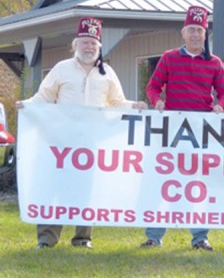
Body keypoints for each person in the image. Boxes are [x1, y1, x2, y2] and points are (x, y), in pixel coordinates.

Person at [16, 17, 148, 249]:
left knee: (86, 190)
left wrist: (134, 106)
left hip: (90, 143)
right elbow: (44, 97)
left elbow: (116, 103)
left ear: (99, 47)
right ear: (75, 44)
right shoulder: (61, 69)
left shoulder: (107, 73)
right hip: (59, 141)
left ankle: (82, 238)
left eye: (93, 44)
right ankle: (46, 239)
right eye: (85, 42)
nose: (89, 47)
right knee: (52, 187)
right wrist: (26, 105)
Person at [140, 5, 224, 251]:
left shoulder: (213, 63)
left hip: (201, 131)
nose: (195, 34)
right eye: (191, 29)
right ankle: (154, 236)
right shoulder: (169, 57)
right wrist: (156, 101)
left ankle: (200, 237)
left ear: (205, 34)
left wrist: (221, 106)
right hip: (171, 129)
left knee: (199, 184)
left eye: (199, 30)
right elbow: (153, 86)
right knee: (164, 181)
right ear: (183, 33)